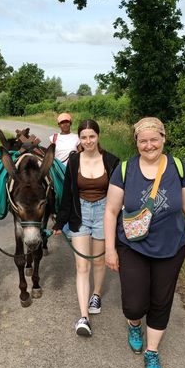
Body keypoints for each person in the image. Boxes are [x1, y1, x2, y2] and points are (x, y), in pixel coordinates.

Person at [103, 117, 185, 368]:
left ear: (163, 138)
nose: (149, 145)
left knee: (162, 301)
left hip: (172, 247)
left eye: (154, 139)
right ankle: (134, 323)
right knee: (134, 304)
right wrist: (110, 249)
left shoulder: (179, 168)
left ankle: (152, 350)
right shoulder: (125, 169)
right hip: (132, 247)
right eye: (143, 141)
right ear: (136, 142)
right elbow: (111, 211)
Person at [53, 119, 119, 337]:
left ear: (98, 136)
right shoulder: (73, 161)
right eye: (83, 137)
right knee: (82, 266)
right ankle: (83, 317)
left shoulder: (111, 161)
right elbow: (67, 195)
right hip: (79, 213)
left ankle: (97, 293)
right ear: (78, 139)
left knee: (99, 260)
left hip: (104, 213)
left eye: (92, 136)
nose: (88, 141)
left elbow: (119, 196)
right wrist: (60, 222)